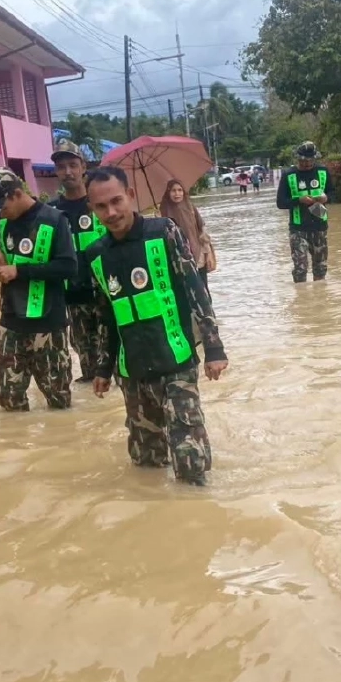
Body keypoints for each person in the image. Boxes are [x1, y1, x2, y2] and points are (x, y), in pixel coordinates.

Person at [85, 167, 229, 486]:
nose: (111, 212)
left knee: (190, 463)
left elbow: (195, 288)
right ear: (92, 209)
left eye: (116, 201)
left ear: (131, 196)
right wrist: (103, 368)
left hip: (176, 360)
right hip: (133, 371)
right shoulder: (95, 255)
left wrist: (214, 348)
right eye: (101, 206)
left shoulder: (164, 232)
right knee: (146, 464)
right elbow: (106, 317)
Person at [0, 167, 76, 412]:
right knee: (8, 399)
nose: (0, 213)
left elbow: (68, 266)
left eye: (3, 207)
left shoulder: (54, 220)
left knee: (59, 400)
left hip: (48, 322)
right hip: (11, 320)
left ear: (17, 194)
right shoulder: (1, 218)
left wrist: (19, 271)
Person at [47, 139, 106, 383]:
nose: (68, 172)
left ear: (83, 167)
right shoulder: (51, 212)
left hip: (106, 293)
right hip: (72, 297)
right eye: (62, 167)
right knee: (87, 362)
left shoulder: (101, 204)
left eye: (73, 165)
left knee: (113, 359)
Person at [276, 141, 332, 282]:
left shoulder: (323, 172)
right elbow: (280, 203)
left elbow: (333, 193)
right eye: (303, 160)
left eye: (310, 160)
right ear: (298, 158)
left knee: (320, 267)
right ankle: (301, 292)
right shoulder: (288, 175)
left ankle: (319, 293)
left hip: (319, 226)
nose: (307, 164)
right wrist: (299, 200)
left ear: (315, 158)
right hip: (298, 228)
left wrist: (326, 198)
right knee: (300, 268)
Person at [158, 178, 215, 289]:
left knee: (203, 290)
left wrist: (208, 253)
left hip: (198, 256)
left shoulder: (190, 207)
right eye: (173, 191)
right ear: (168, 192)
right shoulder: (163, 211)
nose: (177, 194)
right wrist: (158, 221)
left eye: (180, 190)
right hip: (178, 260)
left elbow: (202, 230)